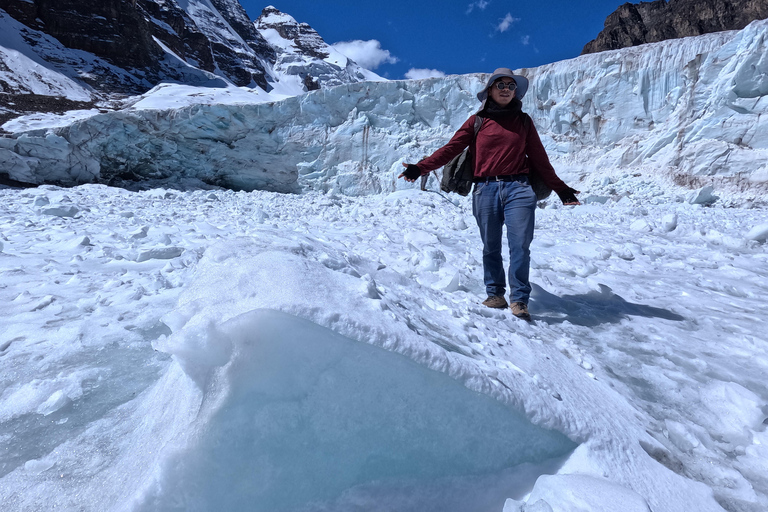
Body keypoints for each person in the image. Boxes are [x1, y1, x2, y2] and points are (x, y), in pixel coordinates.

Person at [399, 68, 580, 320]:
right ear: (490, 90)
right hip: (485, 189)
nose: (506, 89)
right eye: (500, 85)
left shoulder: (524, 122)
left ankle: (519, 299)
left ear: (516, 92)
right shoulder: (477, 122)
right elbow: (451, 149)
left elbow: (540, 160)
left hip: (519, 188)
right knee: (490, 246)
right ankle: (495, 294)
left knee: (520, 245)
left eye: (511, 86)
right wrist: (420, 168)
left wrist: (562, 189)